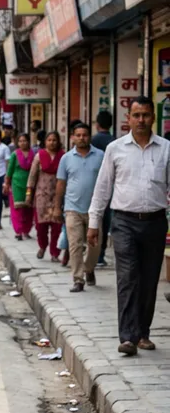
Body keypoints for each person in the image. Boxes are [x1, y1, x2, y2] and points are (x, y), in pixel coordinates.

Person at [88, 96, 170, 356]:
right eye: (136, 115)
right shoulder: (115, 148)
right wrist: (93, 222)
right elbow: (103, 187)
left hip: (156, 222)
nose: (141, 120)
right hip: (123, 222)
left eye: (146, 115)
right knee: (127, 278)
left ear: (153, 118)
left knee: (148, 280)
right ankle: (128, 337)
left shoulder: (166, 148)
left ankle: (143, 333)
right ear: (128, 118)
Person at [53, 123, 104, 292]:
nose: (82, 138)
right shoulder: (66, 158)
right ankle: (78, 279)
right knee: (74, 245)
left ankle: (89, 268)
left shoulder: (101, 156)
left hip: (95, 209)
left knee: (95, 246)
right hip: (72, 208)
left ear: (90, 136)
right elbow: (61, 184)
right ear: (72, 137)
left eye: (85, 135)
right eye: (78, 135)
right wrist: (56, 207)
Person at [26, 130, 64, 261]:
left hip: (58, 197)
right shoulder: (39, 156)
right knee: (40, 226)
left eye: (54, 140)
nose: (52, 142)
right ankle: (42, 246)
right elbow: (32, 176)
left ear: (58, 141)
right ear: (45, 142)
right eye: (49, 140)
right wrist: (28, 195)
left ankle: (54, 253)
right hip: (41, 196)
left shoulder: (63, 157)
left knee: (57, 228)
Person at [91, 110, 116, 265]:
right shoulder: (114, 141)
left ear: (97, 124)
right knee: (105, 220)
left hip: (95, 185)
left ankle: (93, 254)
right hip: (112, 187)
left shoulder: (92, 141)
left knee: (94, 220)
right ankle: (100, 255)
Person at [4, 132, 35, 240]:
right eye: (20, 141)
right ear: (17, 142)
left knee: (28, 208)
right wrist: (7, 184)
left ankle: (26, 231)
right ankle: (18, 231)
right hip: (17, 185)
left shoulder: (33, 154)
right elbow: (10, 170)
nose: (22, 143)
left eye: (24, 141)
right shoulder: (15, 154)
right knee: (17, 209)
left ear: (28, 142)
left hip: (29, 185)